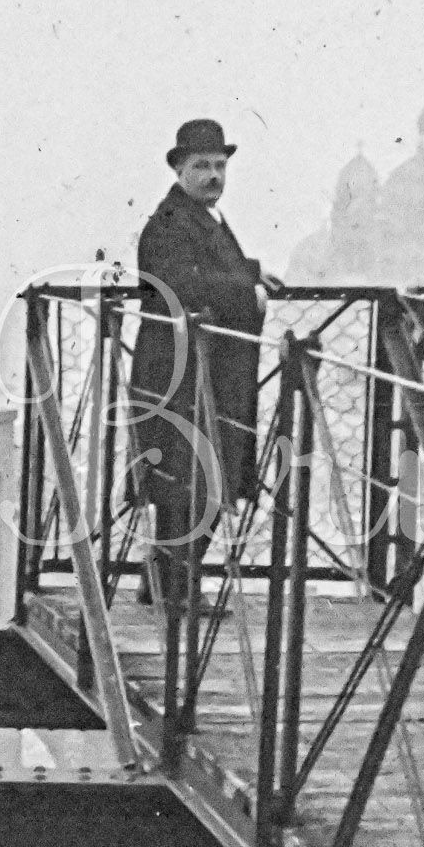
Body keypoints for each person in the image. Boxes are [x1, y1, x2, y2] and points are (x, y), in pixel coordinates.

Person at [129, 118, 277, 612]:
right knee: (193, 482)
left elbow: (212, 269)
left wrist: (253, 273)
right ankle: (178, 591)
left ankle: (166, 584)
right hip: (184, 376)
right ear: (179, 169)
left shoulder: (198, 218)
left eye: (219, 165)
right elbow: (183, 283)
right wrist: (248, 288)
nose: (214, 175)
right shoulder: (170, 223)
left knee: (194, 479)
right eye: (202, 166)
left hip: (203, 372)